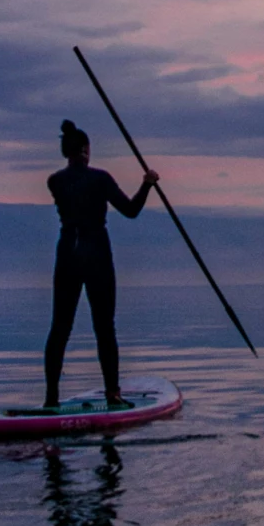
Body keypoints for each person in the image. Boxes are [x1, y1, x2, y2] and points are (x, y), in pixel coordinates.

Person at [43, 119, 158, 408]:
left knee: (60, 327)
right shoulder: (100, 179)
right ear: (85, 149)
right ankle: (112, 394)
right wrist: (147, 184)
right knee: (104, 327)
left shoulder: (54, 181)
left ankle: (50, 399)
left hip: (67, 252)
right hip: (96, 254)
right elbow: (131, 211)